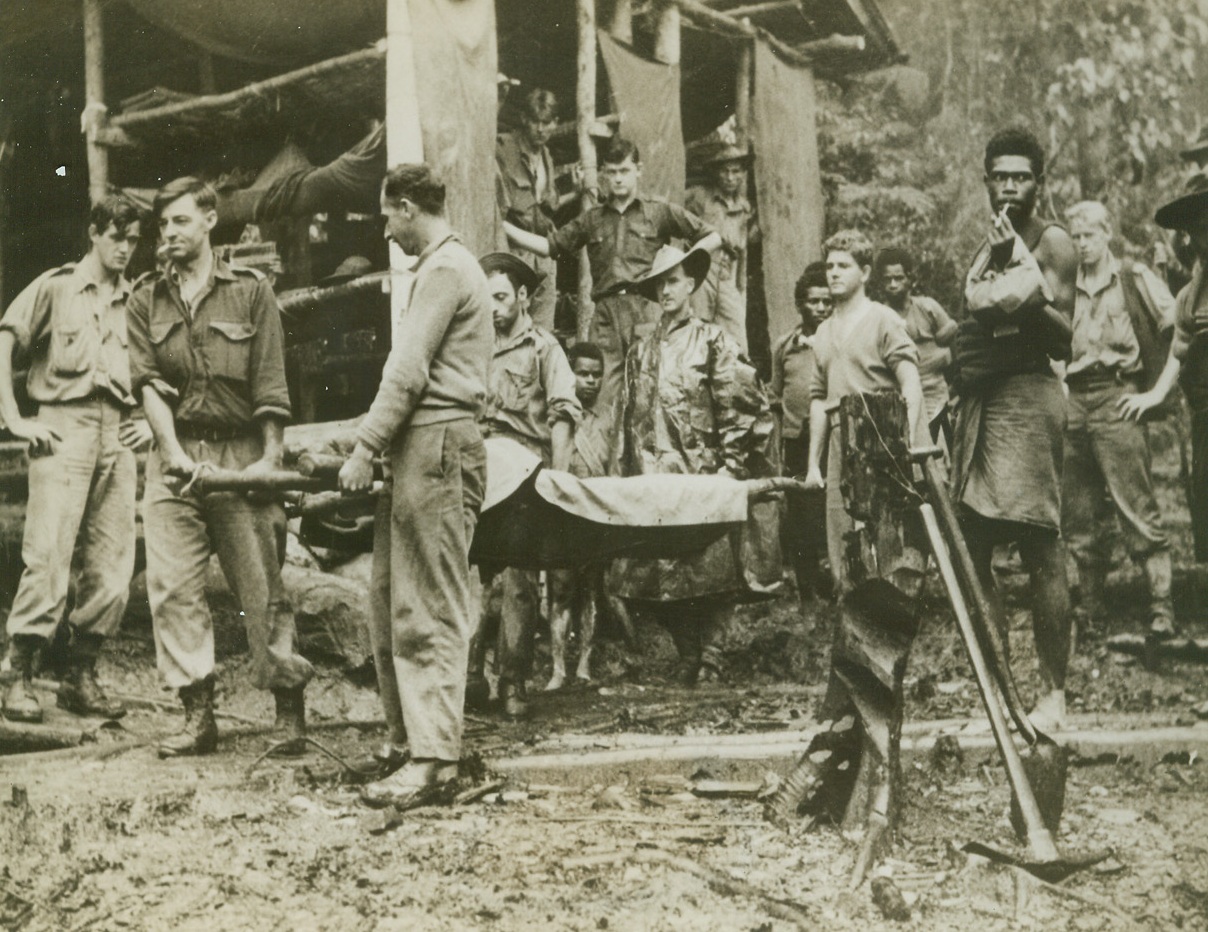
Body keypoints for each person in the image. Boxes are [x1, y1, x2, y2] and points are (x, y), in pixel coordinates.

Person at [126, 177, 314, 758]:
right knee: (172, 588)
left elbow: (270, 385)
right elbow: (148, 387)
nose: (169, 234)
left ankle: (288, 712)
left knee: (262, 586)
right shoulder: (144, 299)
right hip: (174, 457)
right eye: (163, 226)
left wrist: (270, 461)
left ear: (210, 220)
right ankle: (197, 715)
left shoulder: (251, 293)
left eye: (180, 221)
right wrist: (175, 455)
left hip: (240, 457)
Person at [339, 163, 492, 808]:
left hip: (436, 444)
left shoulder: (447, 269)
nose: (385, 229)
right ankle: (411, 744)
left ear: (406, 208)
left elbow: (407, 373)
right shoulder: (440, 269)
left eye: (386, 216)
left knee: (429, 603)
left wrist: (364, 446)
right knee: (394, 601)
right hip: (420, 448)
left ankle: (435, 760)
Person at [949, 128, 1079, 732]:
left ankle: (1051, 696)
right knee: (975, 551)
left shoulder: (1050, 240)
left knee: (1039, 547)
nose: (1009, 187)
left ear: (1038, 182)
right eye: (999, 176)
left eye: (1020, 176)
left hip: (1028, 398)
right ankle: (1000, 696)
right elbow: (974, 318)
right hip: (984, 402)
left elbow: (1061, 334)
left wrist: (1017, 274)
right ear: (986, 180)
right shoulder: (988, 244)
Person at [0, 195, 146, 724]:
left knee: (113, 566)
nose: (125, 248)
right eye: (116, 237)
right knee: (49, 557)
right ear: (94, 232)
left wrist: (149, 422)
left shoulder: (138, 299)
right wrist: (14, 418)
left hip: (118, 432)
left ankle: (78, 673)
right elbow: (6, 339)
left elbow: (159, 370)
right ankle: (17, 674)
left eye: (132, 240)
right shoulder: (57, 287)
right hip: (62, 427)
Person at [610, 244, 772, 686]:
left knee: (713, 572)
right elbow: (628, 420)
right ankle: (688, 653)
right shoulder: (640, 352)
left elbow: (738, 403)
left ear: (691, 285)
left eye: (674, 280)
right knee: (655, 575)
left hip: (703, 476)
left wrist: (732, 463)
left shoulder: (714, 340)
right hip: (653, 481)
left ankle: (713, 658)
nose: (666, 290)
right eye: (659, 283)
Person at [503, 136, 721, 415]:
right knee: (601, 399)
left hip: (646, 311)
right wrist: (506, 228)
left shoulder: (658, 211)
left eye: (624, 171)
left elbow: (712, 236)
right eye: (612, 172)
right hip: (605, 317)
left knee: (651, 394)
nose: (618, 179)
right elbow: (550, 246)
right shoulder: (592, 218)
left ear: (638, 170)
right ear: (604, 173)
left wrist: (682, 264)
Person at [1061, 200, 1177, 640]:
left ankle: (1162, 609)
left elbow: (1181, 332)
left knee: (1137, 508)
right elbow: (1048, 342)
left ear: (1107, 232)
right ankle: (1091, 610)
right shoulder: (1062, 285)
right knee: (1079, 514)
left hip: (1119, 396)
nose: (1082, 244)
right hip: (1074, 402)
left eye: (1089, 234)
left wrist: (1155, 393)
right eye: (1075, 236)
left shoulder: (1133, 278)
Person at [475, 251, 581, 718]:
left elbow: (562, 413)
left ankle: (514, 680)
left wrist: (556, 482)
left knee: (519, 580)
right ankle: (470, 678)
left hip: (523, 476)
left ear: (521, 297)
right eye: (485, 299)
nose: (492, 308)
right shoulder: (470, 344)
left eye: (500, 297)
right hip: (476, 469)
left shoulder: (544, 349)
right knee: (469, 576)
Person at [1122, 170, 1208, 578]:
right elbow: (1181, 349)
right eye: (1197, 231)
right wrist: (1155, 394)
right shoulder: (1190, 295)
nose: (1204, 241)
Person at [546, 341, 616, 691]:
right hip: (561, 514)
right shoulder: (557, 416)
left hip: (596, 515)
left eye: (596, 375)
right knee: (560, 590)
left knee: (590, 589)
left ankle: (585, 665)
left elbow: (615, 465)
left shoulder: (609, 417)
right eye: (582, 373)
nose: (590, 381)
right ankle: (558, 669)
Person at [770, 261, 831, 604]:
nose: (821, 308)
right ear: (800, 304)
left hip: (832, 437)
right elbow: (775, 394)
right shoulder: (786, 346)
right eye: (813, 301)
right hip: (796, 440)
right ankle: (807, 586)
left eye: (827, 301)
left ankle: (835, 580)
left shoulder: (839, 341)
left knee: (830, 510)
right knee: (801, 514)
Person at [875, 247, 958, 445]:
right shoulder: (879, 315)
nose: (893, 284)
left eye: (899, 278)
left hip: (934, 394)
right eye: (887, 279)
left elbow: (952, 340)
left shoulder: (927, 307)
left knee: (939, 451)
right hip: (897, 397)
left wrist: (955, 386)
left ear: (909, 279)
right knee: (905, 449)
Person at [496, 88, 563, 331]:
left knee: (542, 330)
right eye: (535, 121)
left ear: (555, 123)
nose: (541, 129)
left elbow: (546, 207)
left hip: (543, 253)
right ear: (524, 119)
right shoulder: (504, 149)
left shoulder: (546, 156)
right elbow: (497, 207)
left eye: (547, 122)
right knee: (511, 328)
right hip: (515, 253)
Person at [685, 145, 760, 353]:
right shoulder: (699, 197)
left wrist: (740, 286)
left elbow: (742, 250)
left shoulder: (744, 207)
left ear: (743, 174)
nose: (729, 177)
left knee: (736, 336)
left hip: (726, 274)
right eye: (724, 171)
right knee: (698, 328)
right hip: (701, 270)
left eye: (735, 171)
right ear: (716, 173)